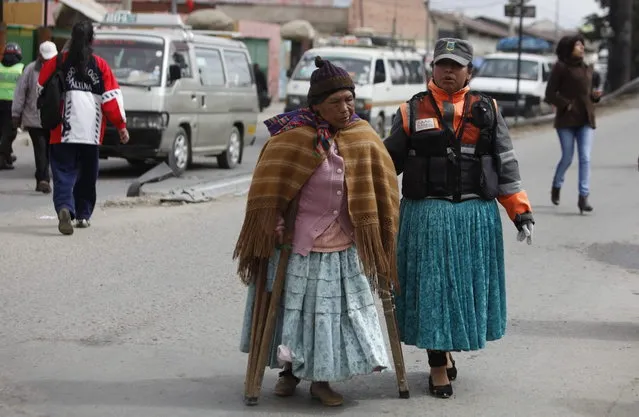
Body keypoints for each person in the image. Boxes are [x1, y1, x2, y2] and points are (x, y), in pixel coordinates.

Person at [236, 56, 400, 407]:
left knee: (331, 317)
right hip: (298, 246)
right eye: (335, 102)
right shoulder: (292, 139)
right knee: (293, 311)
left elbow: (382, 188)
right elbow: (268, 194)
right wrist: (275, 228)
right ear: (315, 106)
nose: (345, 108)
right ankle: (290, 371)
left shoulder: (363, 136)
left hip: (343, 246)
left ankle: (322, 380)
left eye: (349, 99)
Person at [384, 38, 535, 399]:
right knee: (433, 292)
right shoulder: (410, 111)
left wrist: (520, 211)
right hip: (426, 218)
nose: (448, 71)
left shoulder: (488, 110)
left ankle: (445, 350)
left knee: (458, 292)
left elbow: (506, 166)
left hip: (474, 220)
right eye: (442, 64)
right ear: (431, 68)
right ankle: (437, 365)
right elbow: (386, 167)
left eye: (456, 65)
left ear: (470, 71)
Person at [38, 21, 129, 235]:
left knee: (63, 172)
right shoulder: (100, 65)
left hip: (62, 130)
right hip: (91, 132)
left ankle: (64, 208)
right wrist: (121, 126)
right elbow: (110, 99)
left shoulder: (58, 61)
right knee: (87, 176)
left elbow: (40, 86)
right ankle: (83, 215)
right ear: (91, 40)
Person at [545, 34, 601, 214]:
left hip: (586, 118)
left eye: (583, 45)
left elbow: (587, 93)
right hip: (567, 119)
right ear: (569, 48)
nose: (582, 48)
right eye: (578, 45)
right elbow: (550, 94)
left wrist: (595, 97)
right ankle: (556, 184)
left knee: (585, 157)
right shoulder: (560, 67)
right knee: (568, 157)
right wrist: (566, 104)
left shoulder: (587, 68)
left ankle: (583, 196)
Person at [11, 41, 59, 193]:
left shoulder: (60, 69)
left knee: (50, 151)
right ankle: (44, 179)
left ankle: (41, 177)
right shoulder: (30, 70)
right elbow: (20, 92)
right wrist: (15, 114)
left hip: (52, 118)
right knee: (41, 149)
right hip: (34, 118)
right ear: (39, 56)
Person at [0, 43, 25, 169]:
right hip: (12, 104)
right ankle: (2, 159)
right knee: (9, 133)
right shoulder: (21, 68)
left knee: (2, 132)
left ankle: (7, 155)